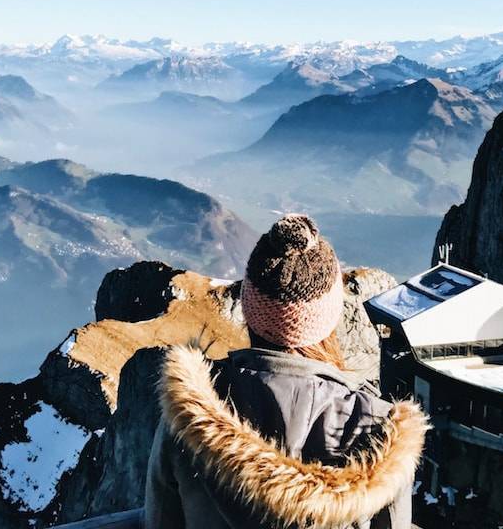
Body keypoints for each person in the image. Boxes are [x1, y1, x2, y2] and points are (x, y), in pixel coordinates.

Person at [145, 214, 429, 528]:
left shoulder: (194, 408)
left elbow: (159, 520)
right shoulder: (379, 433)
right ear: (331, 314)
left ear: (248, 309)